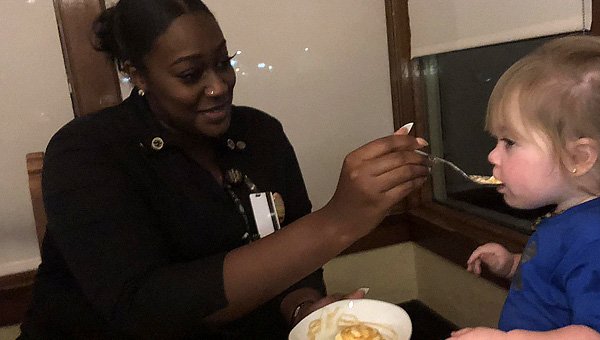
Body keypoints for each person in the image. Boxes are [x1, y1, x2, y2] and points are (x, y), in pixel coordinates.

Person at [18, 0, 429, 338]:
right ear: (136, 73)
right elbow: (146, 308)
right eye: (190, 74)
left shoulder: (260, 134)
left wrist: (304, 309)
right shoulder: (87, 152)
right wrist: (339, 220)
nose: (218, 86)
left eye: (223, 62)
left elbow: (293, 259)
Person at [448, 35, 600, 340]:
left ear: (578, 157)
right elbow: (558, 278)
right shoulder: (573, 215)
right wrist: (512, 265)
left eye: (510, 142)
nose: (492, 155)